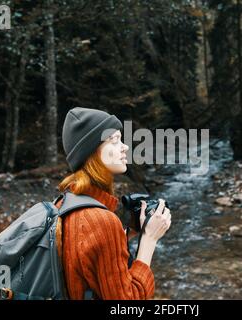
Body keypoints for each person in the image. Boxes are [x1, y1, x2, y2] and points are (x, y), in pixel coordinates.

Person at [55, 107, 171, 300]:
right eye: (115, 140)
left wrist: (123, 238)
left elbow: (83, 268)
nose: (124, 147)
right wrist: (149, 239)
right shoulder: (102, 221)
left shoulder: (65, 203)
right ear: (93, 151)